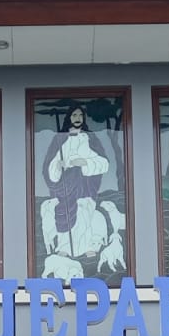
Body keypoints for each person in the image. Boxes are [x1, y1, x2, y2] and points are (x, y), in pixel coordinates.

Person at [42, 103, 112, 257]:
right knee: (65, 214)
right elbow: (50, 164)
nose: (77, 118)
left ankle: (87, 246)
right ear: (69, 117)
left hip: (84, 185)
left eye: (80, 115)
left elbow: (104, 163)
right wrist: (58, 166)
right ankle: (65, 247)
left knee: (84, 213)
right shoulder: (60, 139)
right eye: (74, 115)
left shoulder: (90, 138)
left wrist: (85, 162)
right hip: (66, 185)